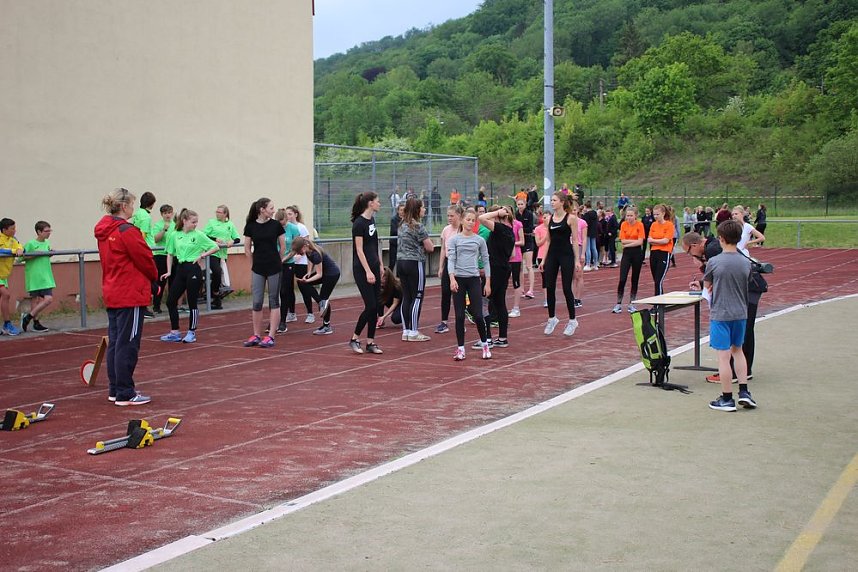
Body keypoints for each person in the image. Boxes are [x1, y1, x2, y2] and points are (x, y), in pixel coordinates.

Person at [94, 188, 158, 405]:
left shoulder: (105, 231)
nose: (134, 207)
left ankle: (115, 389)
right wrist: (154, 280)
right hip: (130, 293)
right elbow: (145, 258)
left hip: (113, 289)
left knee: (115, 342)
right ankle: (125, 392)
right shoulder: (126, 231)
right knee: (127, 344)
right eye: (131, 203)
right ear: (123, 206)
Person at [681, 230, 762, 385]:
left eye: (689, 252)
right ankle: (744, 371)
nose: (691, 256)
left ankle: (732, 372)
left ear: (695, 245)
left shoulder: (712, 249)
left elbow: (721, 272)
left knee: (736, 336)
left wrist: (702, 267)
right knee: (746, 331)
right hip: (749, 287)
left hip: (746, 289)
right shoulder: (712, 246)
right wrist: (702, 280)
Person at [697, 219, 756, 412]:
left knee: (723, 356)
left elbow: (708, 286)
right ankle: (745, 391)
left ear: (721, 239)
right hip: (740, 312)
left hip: (721, 313)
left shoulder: (714, 262)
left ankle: (727, 397)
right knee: (738, 351)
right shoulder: (745, 261)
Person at [159, 210, 219, 344]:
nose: (195, 224)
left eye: (196, 222)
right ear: (184, 221)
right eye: (193, 222)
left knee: (192, 302)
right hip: (180, 269)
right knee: (170, 301)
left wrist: (202, 255)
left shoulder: (198, 235)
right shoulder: (175, 235)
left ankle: (192, 332)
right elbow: (170, 253)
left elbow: (215, 247)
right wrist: (169, 271)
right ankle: (174, 332)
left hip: (193, 269)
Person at [447, 209, 491, 360]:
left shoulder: (479, 240)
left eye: (473, 220)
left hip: (473, 279)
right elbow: (451, 259)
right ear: (462, 221)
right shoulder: (454, 240)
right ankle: (460, 349)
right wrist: (452, 279)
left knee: (478, 315)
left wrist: (488, 283)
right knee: (459, 316)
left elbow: (486, 260)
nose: (471, 222)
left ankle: (485, 345)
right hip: (459, 279)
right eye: (468, 219)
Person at [242, 197, 286, 348]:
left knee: (274, 300)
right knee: (257, 301)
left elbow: (283, 246)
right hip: (258, 268)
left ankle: (271, 336)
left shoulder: (276, 225)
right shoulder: (251, 226)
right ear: (262, 209)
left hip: (274, 267)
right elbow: (247, 249)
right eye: (271, 208)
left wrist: (278, 261)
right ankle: (256, 334)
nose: (274, 211)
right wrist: (253, 264)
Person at [539, 192, 581, 336]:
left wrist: (577, 260)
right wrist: (543, 260)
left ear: (562, 202)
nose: (552, 202)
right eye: (551, 200)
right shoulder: (550, 218)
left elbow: (575, 240)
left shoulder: (571, 219)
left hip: (566, 255)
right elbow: (548, 241)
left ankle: (572, 320)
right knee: (549, 286)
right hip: (552, 255)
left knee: (566, 288)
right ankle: (552, 318)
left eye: (554, 200)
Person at [350, 192, 385, 355]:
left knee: (377, 305)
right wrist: (368, 271)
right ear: (370, 203)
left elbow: (373, 245)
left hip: (374, 267)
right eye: (378, 202)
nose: (380, 204)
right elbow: (359, 249)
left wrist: (380, 264)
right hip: (362, 270)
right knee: (370, 306)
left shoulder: (372, 220)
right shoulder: (359, 223)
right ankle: (355, 338)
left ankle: (370, 341)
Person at [396, 197, 434, 342]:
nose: (424, 209)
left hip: (401, 262)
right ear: (417, 210)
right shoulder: (418, 226)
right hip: (415, 263)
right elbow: (430, 247)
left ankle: (406, 331)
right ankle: (413, 332)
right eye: (423, 207)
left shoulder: (402, 225)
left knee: (406, 296)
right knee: (417, 297)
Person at [479, 206, 515, 348]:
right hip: (504, 268)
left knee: (483, 301)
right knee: (500, 303)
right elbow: (512, 255)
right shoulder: (510, 232)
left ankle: (487, 338)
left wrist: (497, 213)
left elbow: (481, 218)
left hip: (494, 269)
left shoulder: (500, 228)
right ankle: (502, 338)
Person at [291, 237, 340, 335]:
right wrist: (308, 273)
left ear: (304, 246)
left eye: (298, 251)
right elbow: (310, 262)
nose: (298, 253)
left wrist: (308, 280)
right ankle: (321, 302)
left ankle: (326, 325)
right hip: (326, 273)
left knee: (323, 297)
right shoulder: (308, 252)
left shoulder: (315, 254)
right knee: (303, 283)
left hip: (331, 275)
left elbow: (319, 274)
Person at [20, 221, 56, 332]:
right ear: (39, 232)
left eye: (50, 231)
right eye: (46, 231)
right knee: (34, 300)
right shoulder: (30, 244)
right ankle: (36, 322)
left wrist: (50, 253)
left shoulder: (47, 243)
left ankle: (28, 317)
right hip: (34, 275)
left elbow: (45, 256)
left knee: (48, 299)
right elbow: (21, 258)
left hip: (46, 275)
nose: (49, 233)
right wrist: (36, 254)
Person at [203, 205, 241, 309]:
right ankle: (214, 294)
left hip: (223, 254)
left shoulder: (230, 224)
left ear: (225, 214)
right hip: (212, 252)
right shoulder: (212, 222)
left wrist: (232, 241)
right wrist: (215, 239)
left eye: (219, 212)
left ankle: (216, 299)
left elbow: (237, 238)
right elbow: (204, 235)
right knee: (217, 271)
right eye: (216, 211)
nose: (217, 213)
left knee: (219, 276)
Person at [435, 205, 463, 334]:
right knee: (445, 292)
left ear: (459, 215)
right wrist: (441, 267)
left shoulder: (463, 229)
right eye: (448, 216)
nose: (449, 218)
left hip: (460, 264)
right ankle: (444, 322)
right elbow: (443, 249)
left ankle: (460, 321)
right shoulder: (446, 230)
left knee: (459, 294)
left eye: (452, 215)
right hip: (448, 262)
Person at [613, 207, 645, 313]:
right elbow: (622, 241)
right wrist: (631, 242)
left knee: (634, 279)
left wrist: (628, 243)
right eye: (627, 215)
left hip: (637, 254)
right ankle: (618, 303)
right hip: (626, 254)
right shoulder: (623, 225)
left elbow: (640, 242)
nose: (629, 218)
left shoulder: (640, 225)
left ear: (636, 216)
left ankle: (632, 303)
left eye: (631, 215)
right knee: (622, 278)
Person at [274, 208, 302, 332]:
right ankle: (273, 320)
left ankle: (283, 321)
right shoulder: (274, 228)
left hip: (288, 263)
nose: (282, 226)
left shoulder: (293, 229)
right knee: (274, 292)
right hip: (275, 263)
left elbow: (295, 248)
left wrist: (284, 259)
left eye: (283, 223)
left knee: (284, 291)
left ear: (286, 219)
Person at [285, 205, 314, 323]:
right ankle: (291, 313)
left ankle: (310, 313)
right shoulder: (286, 228)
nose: (288, 216)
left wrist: (299, 256)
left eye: (290, 214)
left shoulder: (301, 228)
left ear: (296, 215)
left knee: (304, 288)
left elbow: (307, 246)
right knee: (288, 288)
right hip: (290, 263)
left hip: (301, 263)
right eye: (286, 214)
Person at [130, 191, 156, 319]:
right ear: (151, 204)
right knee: (149, 279)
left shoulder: (137, 214)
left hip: (140, 250)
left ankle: (142, 305)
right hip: (147, 250)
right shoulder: (146, 217)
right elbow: (143, 234)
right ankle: (143, 306)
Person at [0, 218, 24, 336]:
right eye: (12, 228)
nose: (15, 230)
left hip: (4, 274)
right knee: (6, 294)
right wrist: (14, 251)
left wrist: (19, 249)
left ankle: (5, 325)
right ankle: (7, 324)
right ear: (4, 229)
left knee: (4, 297)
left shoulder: (13, 239)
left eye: (15, 228)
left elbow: (20, 247)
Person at [151, 204, 175, 314]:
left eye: (169, 212)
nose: (168, 215)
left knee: (174, 281)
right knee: (161, 281)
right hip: (161, 255)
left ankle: (172, 304)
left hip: (174, 255)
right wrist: (164, 230)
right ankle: (156, 305)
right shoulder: (158, 225)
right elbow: (155, 239)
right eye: (165, 213)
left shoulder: (175, 225)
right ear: (162, 214)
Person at [647, 204, 675, 296]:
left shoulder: (669, 225)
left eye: (657, 214)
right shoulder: (653, 225)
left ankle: (657, 304)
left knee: (658, 280)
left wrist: (655, 241)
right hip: (654, 253)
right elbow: (649, 240)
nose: (655, 216)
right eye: (654, 214)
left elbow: (666, 241)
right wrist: (658, 241)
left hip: (664, 253)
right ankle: (660, 301)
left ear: (663, 213)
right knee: (656, 280)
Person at [515, 197, 537, 300]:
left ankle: (531, 289)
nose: (520, 206)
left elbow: (530, 228)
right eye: (518, 204)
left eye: (521, 204)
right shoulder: (515, 214)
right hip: (519, 242)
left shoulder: (529, 214)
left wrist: (520, 230)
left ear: (525, 204)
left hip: (528, 241)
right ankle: (522, 289)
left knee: (529, 266)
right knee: (519, 267)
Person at [507, 207, 525, 318]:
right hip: (505, 257)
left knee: (516, 282)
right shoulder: (502, 225)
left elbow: (522, 241)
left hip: (516, 257)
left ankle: (516, 307)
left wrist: (512, 243)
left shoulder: (518, 224)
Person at [533, 212, 550, 308]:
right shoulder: (538, 229)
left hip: (552, 255)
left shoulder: (553, 227)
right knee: (545, 278)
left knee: (552, 277)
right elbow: (538, 243)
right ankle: (547, 299)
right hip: (541, 255)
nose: (545, 219)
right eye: (544, 217)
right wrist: (546, 235)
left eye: (547, 217)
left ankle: (551, 297)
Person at [581, 201, 599, 271]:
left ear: (585, 207)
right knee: (594, 248)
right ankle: (596, 264)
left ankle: (588, 264)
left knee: (587, 248)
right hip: (594, 232)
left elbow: (584, 223)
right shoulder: (595, 213)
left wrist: (583, 214)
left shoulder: (586, 215)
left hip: (588, 232)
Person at [388, 202, 404, 272]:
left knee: (401, 263)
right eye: (401, 210)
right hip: (394, 244)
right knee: (392, 262)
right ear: (398, 211)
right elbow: (394, 231)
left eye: (404, 210)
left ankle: (399, 279)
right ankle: (388, 278)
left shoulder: (406, 219)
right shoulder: (394, 219)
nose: (402, 211)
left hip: (402, 244)